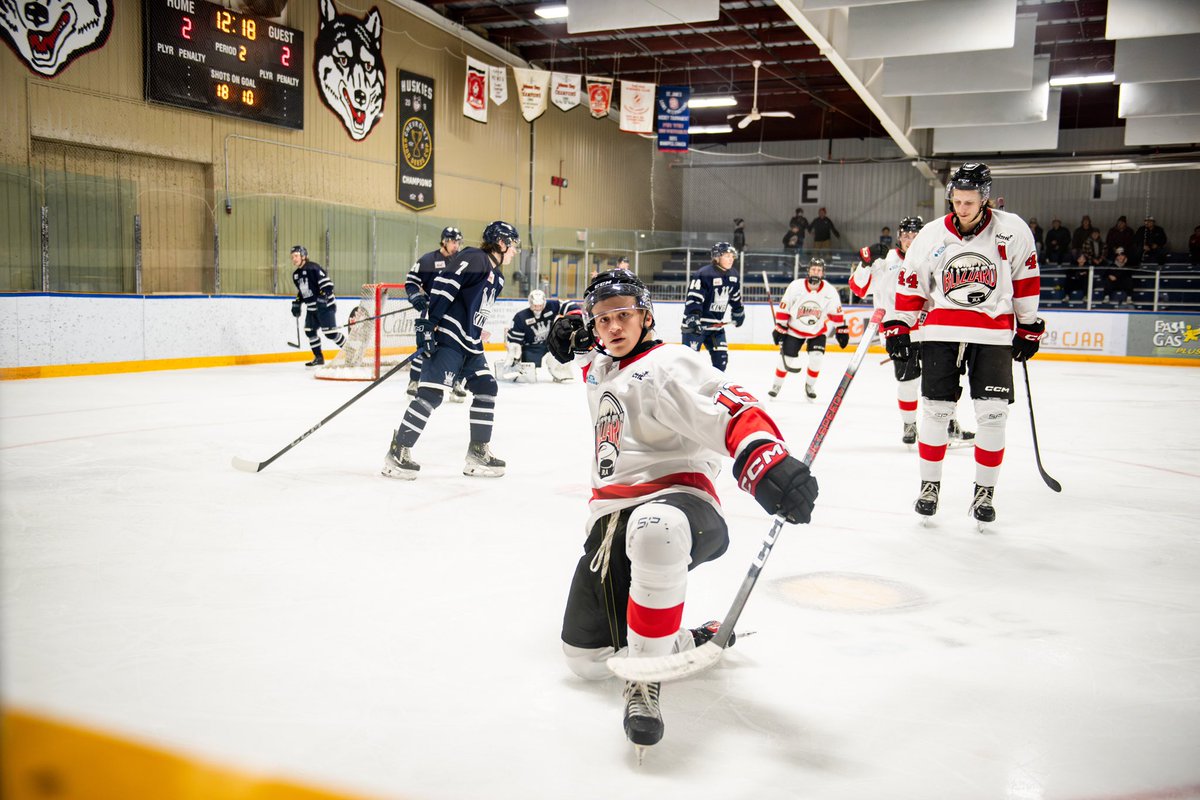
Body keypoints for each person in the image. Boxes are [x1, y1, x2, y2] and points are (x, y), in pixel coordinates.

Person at [545, 268, 819, 756]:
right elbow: (580, 349)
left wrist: (767, 461)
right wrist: (565, 325)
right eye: (602, 318)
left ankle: (644, 682)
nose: (612, 326)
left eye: (623, 313)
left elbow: (731, 405)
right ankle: (690, 639)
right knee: (585, 660)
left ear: (646, 316)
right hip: (610, 524)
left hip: (679, 503)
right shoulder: (603, 366)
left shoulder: (669, 362)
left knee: (657, 528)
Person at [881, 163, 1044, 526]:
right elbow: (913, 282)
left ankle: (984, 493)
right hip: (942, 333)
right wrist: (899, 325)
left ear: (985, 199)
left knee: (993, 416)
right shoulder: (932, 234)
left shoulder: (1012, 230)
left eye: (969, 201)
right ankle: (929, 486)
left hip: (994, 335)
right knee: (937, 412)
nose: (962, 207)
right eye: (956, 200)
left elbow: (1026, 279)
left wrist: (1029, 325)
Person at [382, 221, 519, 480]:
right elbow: (446, 286)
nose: (514, 251)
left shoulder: (497, 276)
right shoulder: (475, 258)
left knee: (487, 387)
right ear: (501, 243)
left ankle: (478, 452)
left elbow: (472, 305)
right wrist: (427, 324)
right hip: (448, 337)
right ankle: (398, 451)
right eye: (512, 246)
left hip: (470, 342)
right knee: (431, 395)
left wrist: (478, 329)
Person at [851, 218, 975, 446]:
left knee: (942, 381)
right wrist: (865, 262)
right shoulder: (885, 260)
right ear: (899, 236)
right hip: (899, 333)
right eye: (906, 236)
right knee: (908, 383)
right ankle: (909, 425)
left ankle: (949, 423)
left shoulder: (933, 256)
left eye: (914, 235)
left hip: (932, 330)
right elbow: (858, 288)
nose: (910, 240)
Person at [404, 226, 468, 400]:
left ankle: (455, 382)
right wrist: (415, 296)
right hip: (432, 311)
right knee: (425, 345)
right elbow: (411, 282)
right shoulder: (427, 260)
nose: (456, 245)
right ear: (444, 241)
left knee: (456, 348)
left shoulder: (461, 262)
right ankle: (414, 381)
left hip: (455, 313)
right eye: (453, 242)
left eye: (458, 242)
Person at [769, 257, 846, 400]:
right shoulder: (796, 286)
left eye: (819, 270)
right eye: (813, 269)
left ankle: (810, 385)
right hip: (794, 330)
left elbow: (836, 313)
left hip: (816, 332)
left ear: (823, 273)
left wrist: (841, 329)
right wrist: (780, 326)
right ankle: (776, 385)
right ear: (808, 271)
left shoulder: (829, 291)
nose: (816, 272)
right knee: (786, 359)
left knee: (816, 359)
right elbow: (784, 307)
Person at [682, 242, 745, 371]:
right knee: (690, 363)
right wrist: (693, 317)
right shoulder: (704, 274)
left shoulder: (733, 274)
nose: (731, 259)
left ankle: (713, 390)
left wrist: (738, 311)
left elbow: (735, 297)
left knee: (721, 362)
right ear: (717, 257)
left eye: (732, 256)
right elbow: (694, 298)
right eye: (727, 256)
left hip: (716, 327)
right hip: (696, 326)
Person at [290, 245, 346, 367]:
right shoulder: (296, 275)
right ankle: (318, 358)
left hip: (325, 306)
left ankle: (350, 352)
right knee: (310, 331)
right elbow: (303, 291)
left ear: (303, 256)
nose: (294, 259)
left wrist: (323, 296)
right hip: (312, 308)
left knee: (330, 334)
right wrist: (297, 302)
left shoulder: (313, 268)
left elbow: (327, 285)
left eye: (296, 256)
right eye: (292, 257)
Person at [502, 289, 572, 382]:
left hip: (550, 343)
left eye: (540, 305)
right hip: (531, 347)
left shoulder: (551, 306)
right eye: (535, 305)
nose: (538, 308)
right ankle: (524, 371)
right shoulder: (521, 317)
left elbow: (567, 304)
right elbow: (515, 340)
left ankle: (562, 373)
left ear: (544, 303)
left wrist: (576, 311)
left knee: (561, 352)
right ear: (530, 303)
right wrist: (514, 352)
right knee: (528, 372)